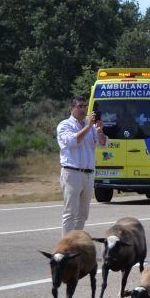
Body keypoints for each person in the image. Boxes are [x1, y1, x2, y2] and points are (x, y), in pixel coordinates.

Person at [56, 95, 107, 234]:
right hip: (72, 173)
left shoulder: (90, 127)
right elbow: (73, 141)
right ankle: (67, 247)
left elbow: (103, 144)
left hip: (88, 174)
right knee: (70, 213)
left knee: (83, 214)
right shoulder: (65, 125)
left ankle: (76, 242)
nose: (83, 109)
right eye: (80, 106)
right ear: (71, 108)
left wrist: (99, 130)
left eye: (85, 106)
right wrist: (89, 126)